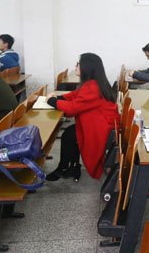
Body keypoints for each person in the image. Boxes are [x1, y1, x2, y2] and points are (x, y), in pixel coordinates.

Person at [44, 53, 119, 181]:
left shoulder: (93, 87)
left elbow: (72, 108)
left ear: (86, 67)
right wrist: (59, 98)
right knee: (69, 135)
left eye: (78, 64)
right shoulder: (93, 83)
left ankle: (65, 168)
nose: (75, 66)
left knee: (69, 135)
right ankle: (69, 167)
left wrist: (51, 101)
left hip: (101, 130)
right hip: (100, 124)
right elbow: (75, 95)